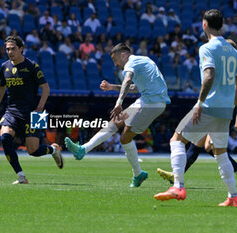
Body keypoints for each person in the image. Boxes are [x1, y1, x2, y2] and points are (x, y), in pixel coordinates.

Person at [154, 10, 237, 207]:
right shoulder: (233, 51)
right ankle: (233, 196)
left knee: (177, 138)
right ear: (222, 26)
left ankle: (178, 187)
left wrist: (199, 103)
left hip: (209, 106)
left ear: (204, 25)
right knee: (221, 153)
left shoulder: (207, 48)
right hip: (226, 108)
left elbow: (208, 76)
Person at [65, 43, 171, 188]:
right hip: (147, 100)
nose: (115, 64)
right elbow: (134, 88)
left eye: (115, 60)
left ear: (123, 55)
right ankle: (83, 149)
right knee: (114, 122)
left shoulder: (132, 62)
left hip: (152, 103)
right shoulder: (144, 61)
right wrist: (112, 87)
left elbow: (127, 81)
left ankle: (138, 174)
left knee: (125, 138)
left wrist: (119, 102)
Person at [0, 36, 63, 184]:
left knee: (33, 151)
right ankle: (20, 176)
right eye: (7, 49)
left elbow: (45, 88)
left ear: (21, 49)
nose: (10, 52)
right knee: (5, 137)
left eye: (13, 48)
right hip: (12, 111)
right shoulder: (4, 66)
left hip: (34, 113)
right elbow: (1, 88)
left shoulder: (32, 66)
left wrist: (40, 108)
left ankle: (53, 150)